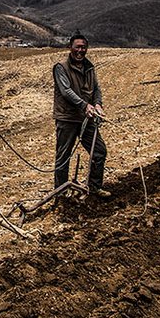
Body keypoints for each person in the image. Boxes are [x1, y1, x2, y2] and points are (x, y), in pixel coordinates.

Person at [52, 32, 110, 198]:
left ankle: (94, 187)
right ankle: (61, 193)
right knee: (63, 157)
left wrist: (98, 104)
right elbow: (66, 91)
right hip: (67, 118)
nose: (80, 50)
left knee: (99, 151)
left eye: (83, 47)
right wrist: (84, 105)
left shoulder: (90, 67)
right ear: (70, 48)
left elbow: (96, 89)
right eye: (77, 47)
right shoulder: (60, 68)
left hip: (87, 118)